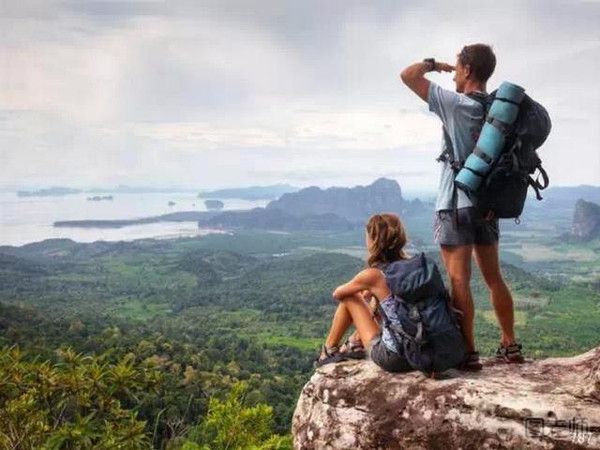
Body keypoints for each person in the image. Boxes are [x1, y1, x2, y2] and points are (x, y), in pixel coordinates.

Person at [399, 43, 525, 370]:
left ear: (468, 70)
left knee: (459, 281)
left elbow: (408, 75)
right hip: (487, 204)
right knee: (494, 277)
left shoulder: (456, 104)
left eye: (457, 68)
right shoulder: (498, 110)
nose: (453, 73)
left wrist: (435, 64)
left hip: (454, 204)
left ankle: (469, 353)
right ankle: (510, 345)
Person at [314, 213, 412, 372]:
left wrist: (363, 288)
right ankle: (354, 342)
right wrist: (371, 292)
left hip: (395, 357)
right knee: (382, 302)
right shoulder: (410, 267)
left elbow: (338, 294)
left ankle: (328, 350)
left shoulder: (374, 275)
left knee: (350, 296)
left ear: (374, 240)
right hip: (419, 350)